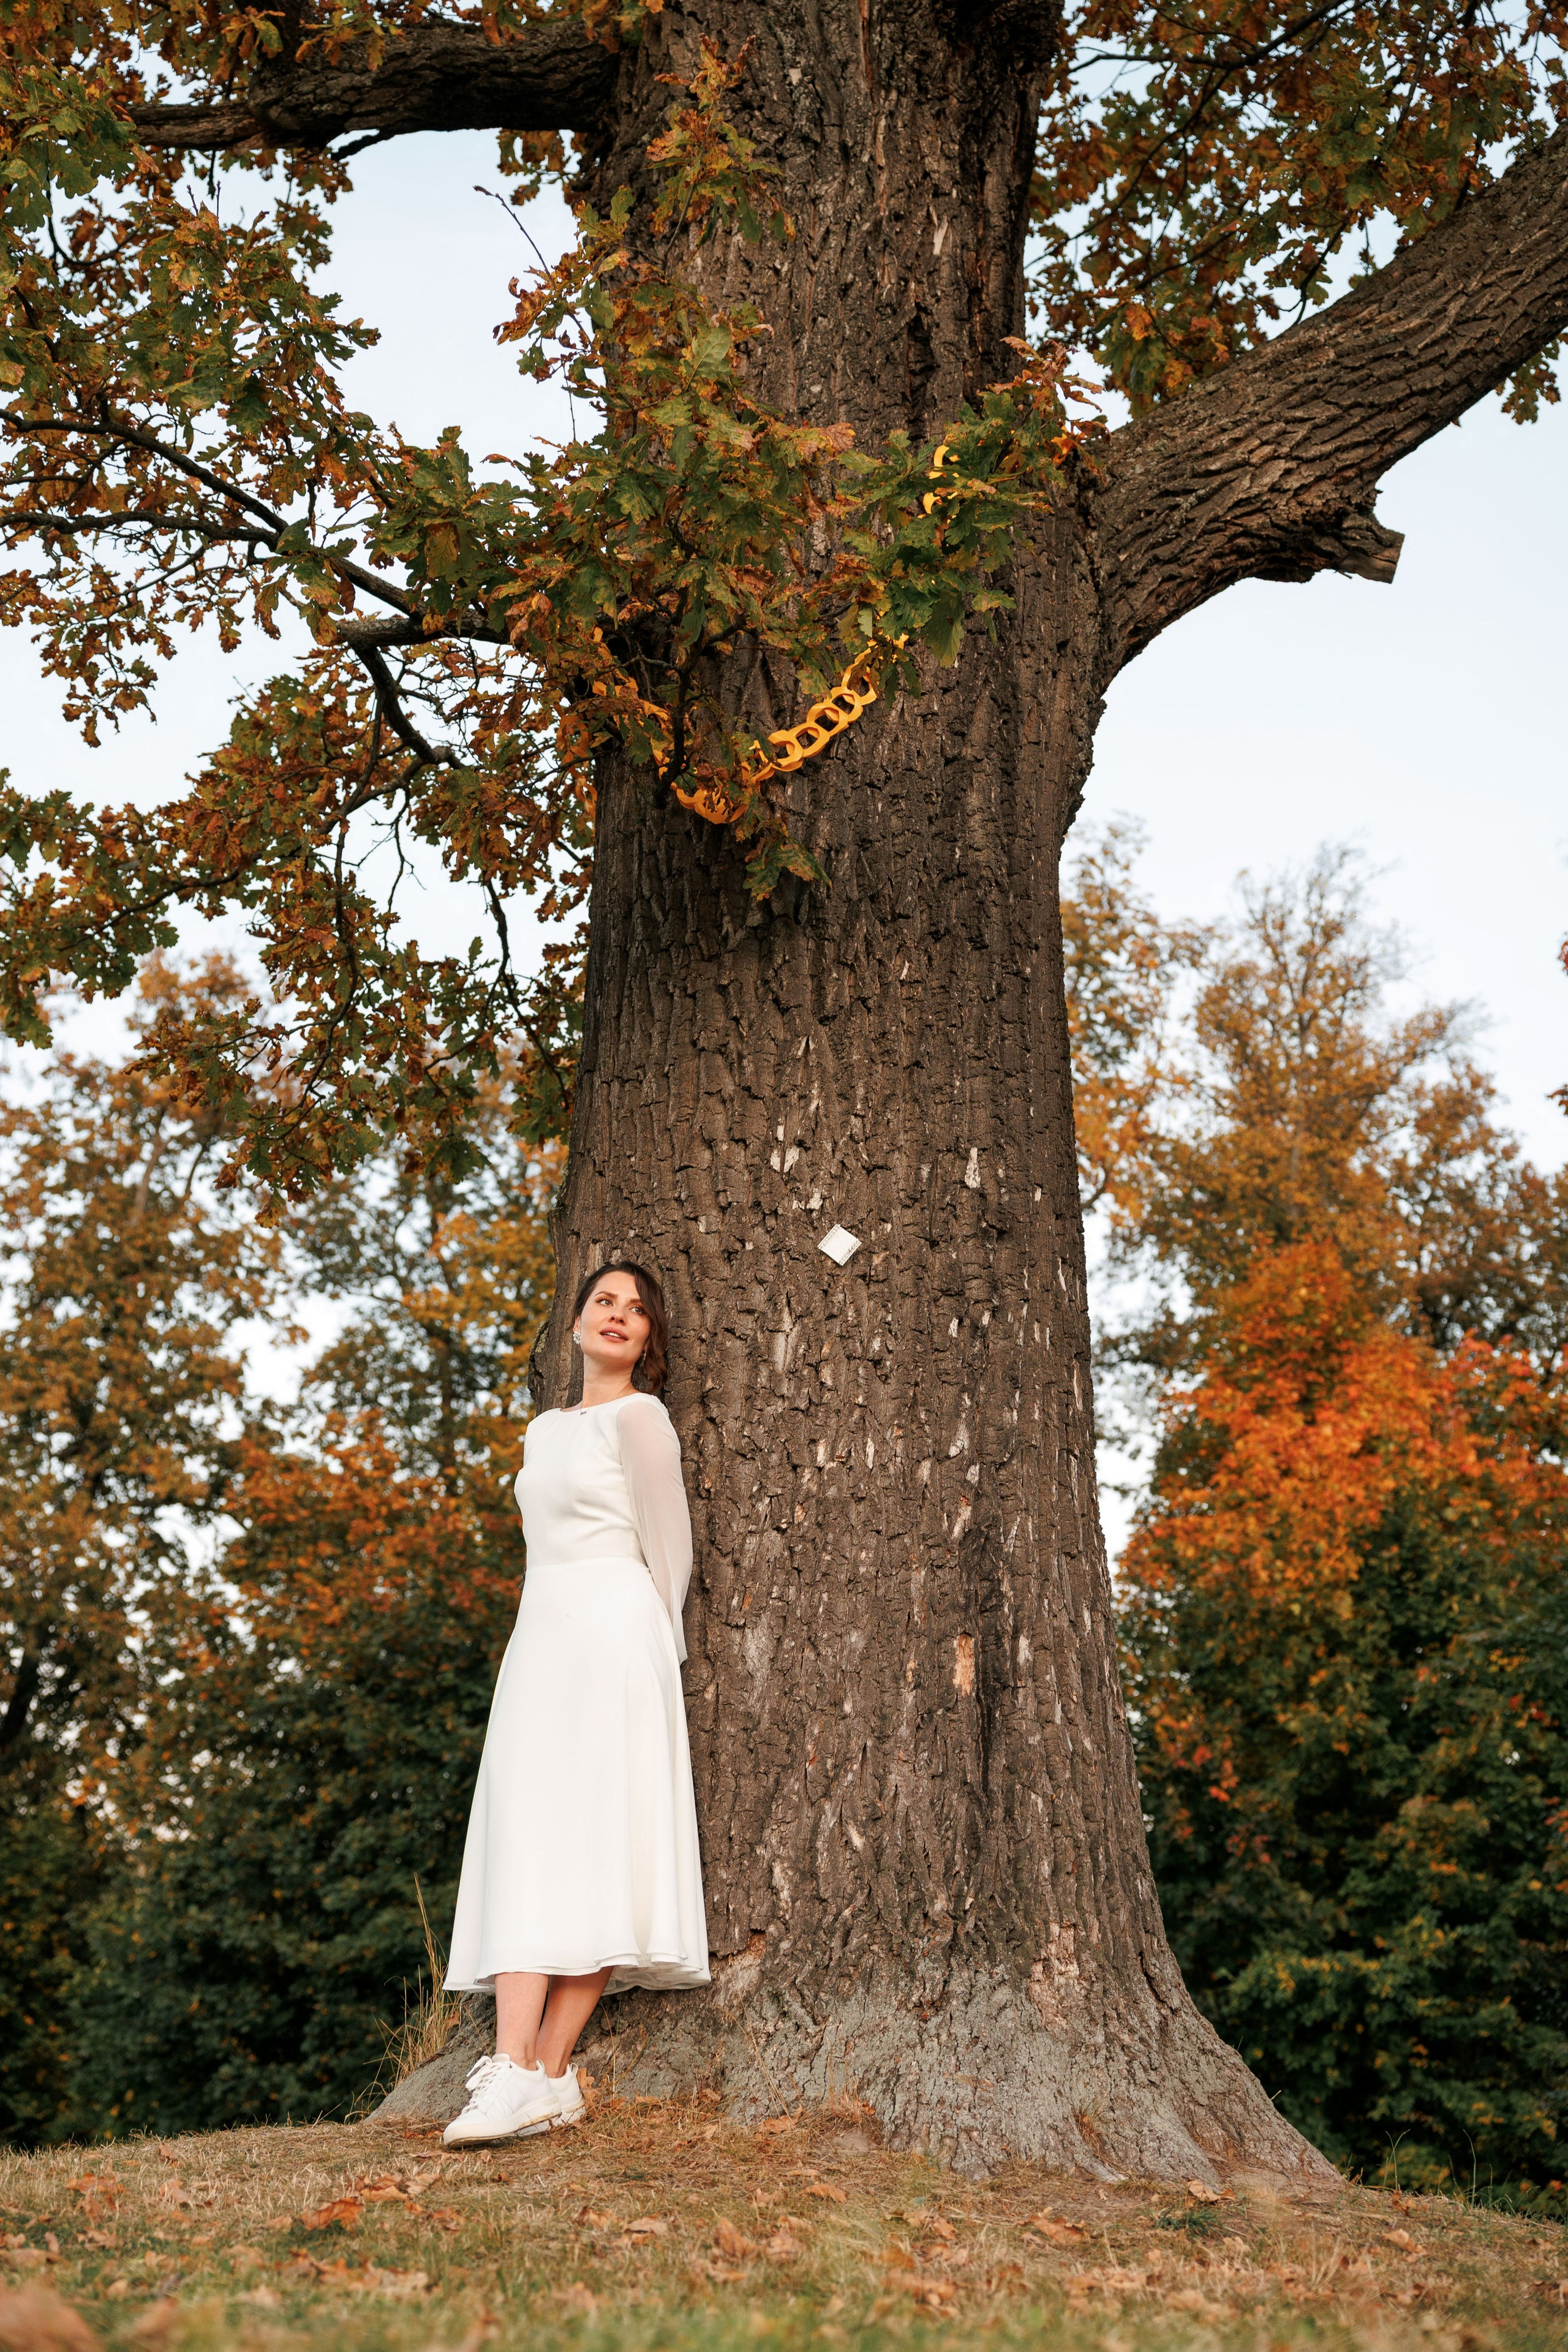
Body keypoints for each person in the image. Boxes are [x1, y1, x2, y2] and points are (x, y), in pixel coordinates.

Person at [440, 1262, 709, 2145]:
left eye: (637, 1311)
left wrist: (655, 1650)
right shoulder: (543, 1430)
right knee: (528, 1832)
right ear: (576, 1322)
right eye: (605, 1303)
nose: (619, 1317)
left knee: (600, 1841)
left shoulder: (641, 1418)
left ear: (648, 1338)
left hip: (615, 1634)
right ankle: (532, 2075)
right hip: (543, 1631)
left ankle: (537, 2068)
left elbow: (670, 1550)